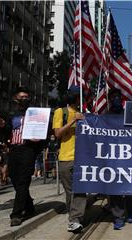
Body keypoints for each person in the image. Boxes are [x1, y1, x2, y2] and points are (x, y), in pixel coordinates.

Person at [0, 86, 44, 226]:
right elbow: (6, 132)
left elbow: (44, 131)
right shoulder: (10, 114)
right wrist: (1, 126)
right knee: (15, 179)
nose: (24, 99)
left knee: (23, 180)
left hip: (28, 150)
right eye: (21, 97)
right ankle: (29, 206)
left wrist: (39, 140)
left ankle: (16, 214)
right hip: (14, 150)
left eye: (26, 97)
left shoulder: (35, 113)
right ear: (15, 99)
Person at [52, 86, 85, 233]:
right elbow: (58, 133)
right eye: (77, 96)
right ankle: (74, 215)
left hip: (83, 158)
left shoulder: (84, 114)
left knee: (80, 190)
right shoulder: (61, 112)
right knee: (70, 191)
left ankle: (74, 219)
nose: (79, 99)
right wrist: (73, 121)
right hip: (66, 158)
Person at [106, 89, 132, 230]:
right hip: (113, 158)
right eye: (113, 97)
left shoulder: (129, 115)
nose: (116, 99)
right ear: (109, 100)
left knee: (131, 187)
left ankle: (130, 211)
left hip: (130, 157)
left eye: (118, 96)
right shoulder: (105, 116)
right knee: (115, 189)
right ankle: (118, 216)